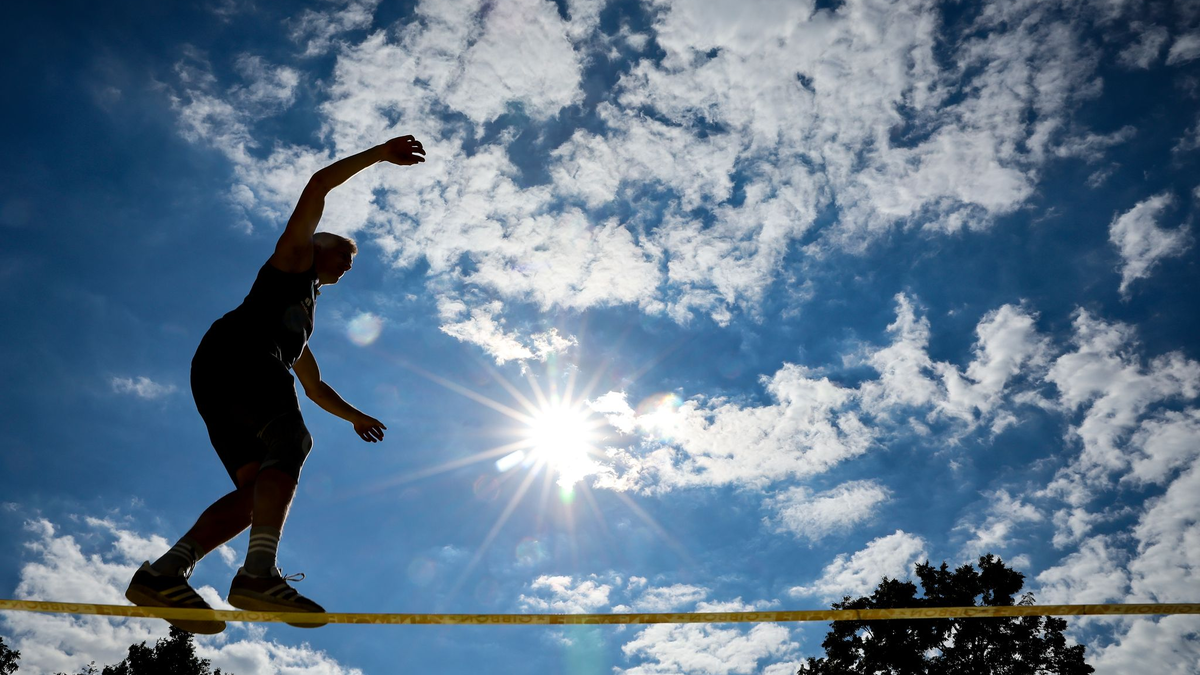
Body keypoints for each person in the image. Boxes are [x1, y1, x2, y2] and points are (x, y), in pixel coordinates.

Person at [124, 135, 426, 633]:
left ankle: (163, 573)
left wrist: (357, 418)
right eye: (344, 257)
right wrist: (377, 155)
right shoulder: (291, 259)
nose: (347, 268)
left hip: (225, 379)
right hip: (240, 359)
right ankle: (258, 574)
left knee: (255, 495)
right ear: (318, 247)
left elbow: (314, 385)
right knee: (293, 440)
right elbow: (317, 186)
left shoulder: (297, 321)